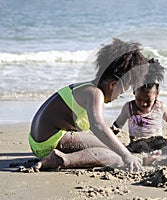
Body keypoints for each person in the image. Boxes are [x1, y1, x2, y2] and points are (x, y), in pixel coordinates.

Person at [29, 38, 151, 172]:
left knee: (112, 146)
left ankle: (61, 156)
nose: (117, 98)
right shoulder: (95, 93)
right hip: (49, 142)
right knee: (116, 157)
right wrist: (126, 155)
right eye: (121, 93)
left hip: (38, 141)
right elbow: (97, 125)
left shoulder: (86, 87)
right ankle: (61, 159)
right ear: (113, 85)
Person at [111, 58, 167, 165]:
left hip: (157, 139)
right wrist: (114, 129)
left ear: (157, 94)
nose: (143, 103)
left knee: (165, 146)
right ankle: (147, 159)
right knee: (139, 149)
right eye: (139, 99)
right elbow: (118, 123)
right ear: (134, 92)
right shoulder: (129, 107)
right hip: (138, 141)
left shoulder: (160, 106)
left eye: (148, 100)